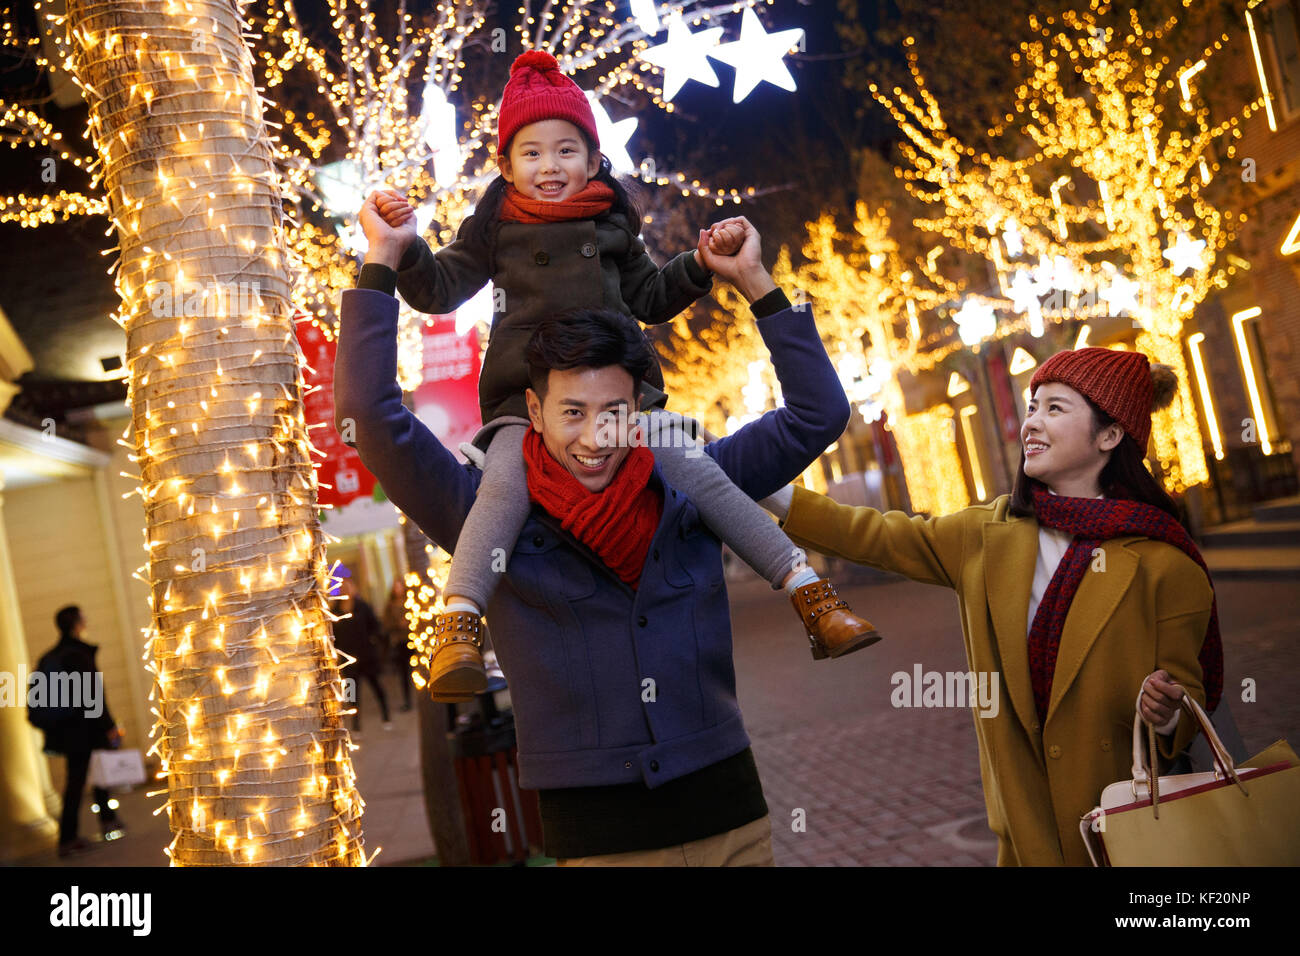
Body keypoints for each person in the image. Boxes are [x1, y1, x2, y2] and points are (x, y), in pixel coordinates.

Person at [365, 49, 878, 701]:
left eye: (566, 151)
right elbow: (438, 290)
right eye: (532, 153)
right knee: (501, 489)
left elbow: (650, 298)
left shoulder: (611, 223)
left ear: (594, 159)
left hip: (624, 393)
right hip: (527, 406)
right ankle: (459, 628)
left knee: (699, 471)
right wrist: (405, 247)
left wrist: (698, 263)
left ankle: (811, 595)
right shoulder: (493, 228)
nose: (550, 167)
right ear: (505, 164)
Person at [335, 219, 850, 864]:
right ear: (534, 408)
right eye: (572, 412)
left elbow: (818, 414)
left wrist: (755, 282)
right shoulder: (484, 513)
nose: (595, 437)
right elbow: (371, 419)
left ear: (638, 408)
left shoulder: (696, 482)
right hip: (599, 842)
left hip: (732, 822)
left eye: (614, 412)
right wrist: (382, 261)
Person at [759, 348, 1225, 865]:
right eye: (1032, 406)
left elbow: (1190, 702)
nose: (1032, 423)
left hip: (1129, 833)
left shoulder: (1164, 563)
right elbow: (871, 536)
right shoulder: (987, 535)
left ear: (1109, 436)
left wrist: (1165, 713)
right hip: (1026, 839)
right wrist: (767, 486)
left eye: (1055, 409)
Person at [28, 605, 126, 857]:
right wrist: (109, 726)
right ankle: (69, 838)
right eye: (82, 616)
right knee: (78, 780)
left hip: (69, 729)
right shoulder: (77, 654)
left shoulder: (54, 655)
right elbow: (94, 695)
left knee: (91, 773)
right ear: (76, 623)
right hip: (83, 728)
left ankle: (108, 820)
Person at [331, 573, 392, 733]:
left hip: (367, 657)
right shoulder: (335, 611)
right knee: (351, 695)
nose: (346, 589)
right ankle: (356, 726)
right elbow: (333, 636)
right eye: (342, 588)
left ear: (353, 588)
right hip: (348, 661)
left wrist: (376, 644)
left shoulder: (363, 606)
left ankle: (386, 716)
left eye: (348, 586)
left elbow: (375, 627)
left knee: (377, 687)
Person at [382, 577, 414, 712]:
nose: (398, 589)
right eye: (395, 587)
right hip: (400, 642)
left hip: (414, 640)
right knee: (404, 673)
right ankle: (407, 700)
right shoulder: (390, 605)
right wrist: (397, 625)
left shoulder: (411, 602)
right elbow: (386, 624)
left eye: (399, 586)